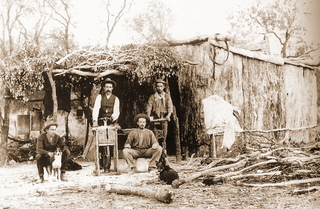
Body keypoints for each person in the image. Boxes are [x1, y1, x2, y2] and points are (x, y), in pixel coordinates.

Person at [146, 79, 173, 151]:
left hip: (164, 118)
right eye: (158, 86)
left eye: (161, 86)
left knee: (164, 136)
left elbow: (170, 107)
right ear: (156, 87)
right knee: (155, 135)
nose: (159, 88)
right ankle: (156, 151)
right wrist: (148, 116)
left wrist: (168, 115)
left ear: (163, 87)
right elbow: (149, 107)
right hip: (155, 118)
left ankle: (164, 152)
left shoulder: (167, 96)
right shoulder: (152, 97)